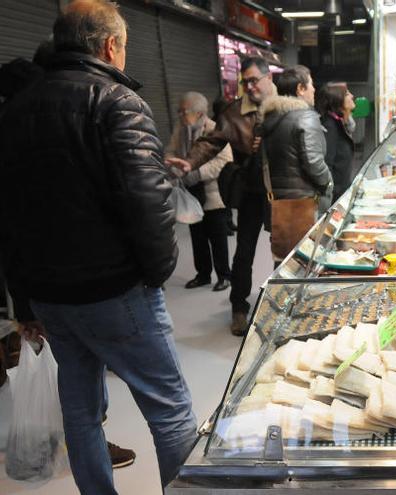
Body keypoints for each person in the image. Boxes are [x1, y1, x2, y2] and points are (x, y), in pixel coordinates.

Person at [0, 1, 197, 492]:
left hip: (50, 296)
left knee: (81, 411)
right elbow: (148, 205)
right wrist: (155, 273)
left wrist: (24, 300)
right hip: (116, 290)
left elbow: (7, 215)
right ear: (111, 46)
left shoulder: (15, 108)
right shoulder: (115, 101)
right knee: (170, 411)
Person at [0, 38, 139, 472]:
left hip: (35, 276)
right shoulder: (31, 122)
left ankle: (46, 442)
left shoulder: (20, 119)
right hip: (49, 278)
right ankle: (47, 441)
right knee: (74, 369)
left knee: (56, 369)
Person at [166, 57, 276, 336]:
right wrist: (190, 162)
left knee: (284, 250)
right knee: (245, 251)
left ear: (269, 79)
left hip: (283, 192)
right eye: (245, 81)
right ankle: (238, 307)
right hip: (252, 190)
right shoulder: (234, 113)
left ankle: (282, 302)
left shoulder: (285, 106)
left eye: (254, 80)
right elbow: (212, 142)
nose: (250, 86)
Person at [259, 66, 333, 262]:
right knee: (306, 260)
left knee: (284, 261)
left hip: (279, 202)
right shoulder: (305, 117)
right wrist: (328, 183)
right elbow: (314, 161)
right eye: (311, 84)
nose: (314, 90)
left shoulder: (271, 117)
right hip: (305, 204)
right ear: (300, 88)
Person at [166, 92, 234, 291]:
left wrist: (194, 173)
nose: (179, 114)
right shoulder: (181, 129)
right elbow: (170, 151)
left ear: (199, 113)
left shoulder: (215, 129)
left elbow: (224, 161)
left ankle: (224, 276)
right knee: (197, 236)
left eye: (183, 111)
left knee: (218, 237)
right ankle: (203, 274)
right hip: (190, 191)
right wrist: (174, 165)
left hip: (213, 193)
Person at [316, 82, 357, 203]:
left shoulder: (341, 124)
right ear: (338, 100)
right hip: (334, 198)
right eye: (347, 94)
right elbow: (327, 164)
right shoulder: (330, 127)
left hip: (341, 193)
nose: (352, 96)